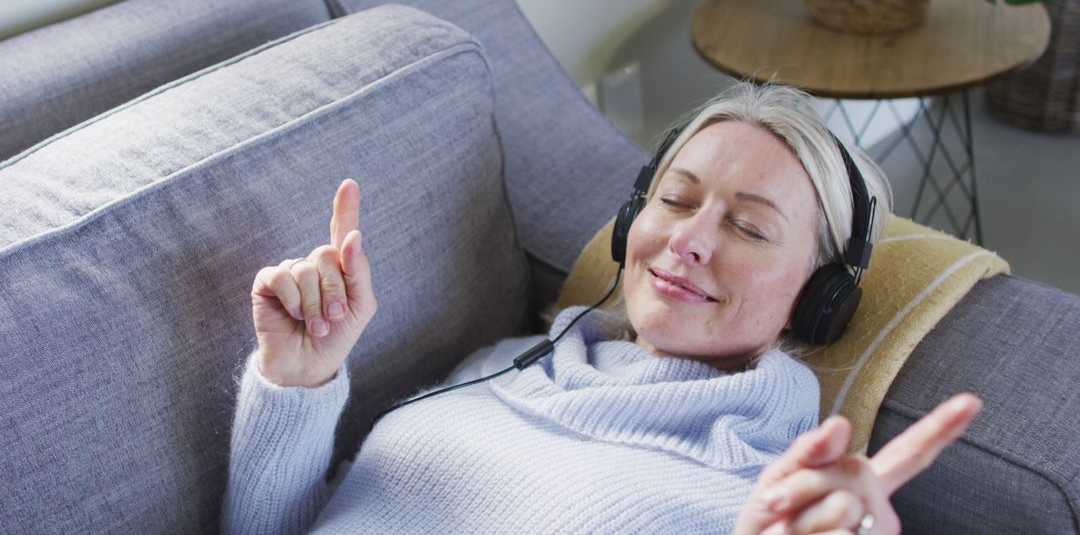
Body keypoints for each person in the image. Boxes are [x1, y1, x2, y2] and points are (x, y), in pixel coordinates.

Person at [222, 82, 983, 534]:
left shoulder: (764, 499)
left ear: (819, 300)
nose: (685, 240)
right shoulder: (501, 367)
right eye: (675, 200)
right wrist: (297, 385)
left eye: (749, 227)